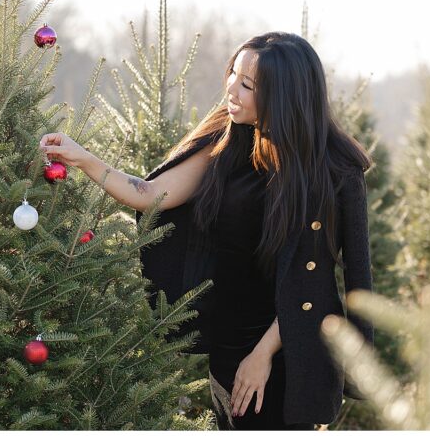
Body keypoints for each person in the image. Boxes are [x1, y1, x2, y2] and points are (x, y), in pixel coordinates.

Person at [40, 31, 373, 429]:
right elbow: (150, 194)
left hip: (289, 349)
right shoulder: (227, 139)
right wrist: (84, 159)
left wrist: (262, 355)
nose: (231, 88)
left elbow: (315, 283)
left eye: (247, 85)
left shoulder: (332, 171)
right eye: (232, 73)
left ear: (283, 96)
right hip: (228, 342)